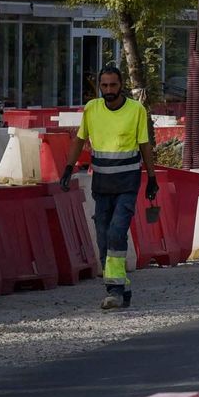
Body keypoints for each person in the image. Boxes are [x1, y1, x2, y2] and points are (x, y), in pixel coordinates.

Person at [61, 65, 157, 310]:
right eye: (104, 86)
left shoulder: (135, 110)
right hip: (102, 184)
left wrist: (152, 177)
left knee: (116, 232)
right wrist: (68, 168)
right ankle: (121, 285)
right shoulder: (92, 109)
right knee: (104, 237)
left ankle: (114, 290)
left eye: (113, 85)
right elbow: (80, 139)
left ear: (121, 85)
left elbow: (145, 145)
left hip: (128, 183)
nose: (109, 90)